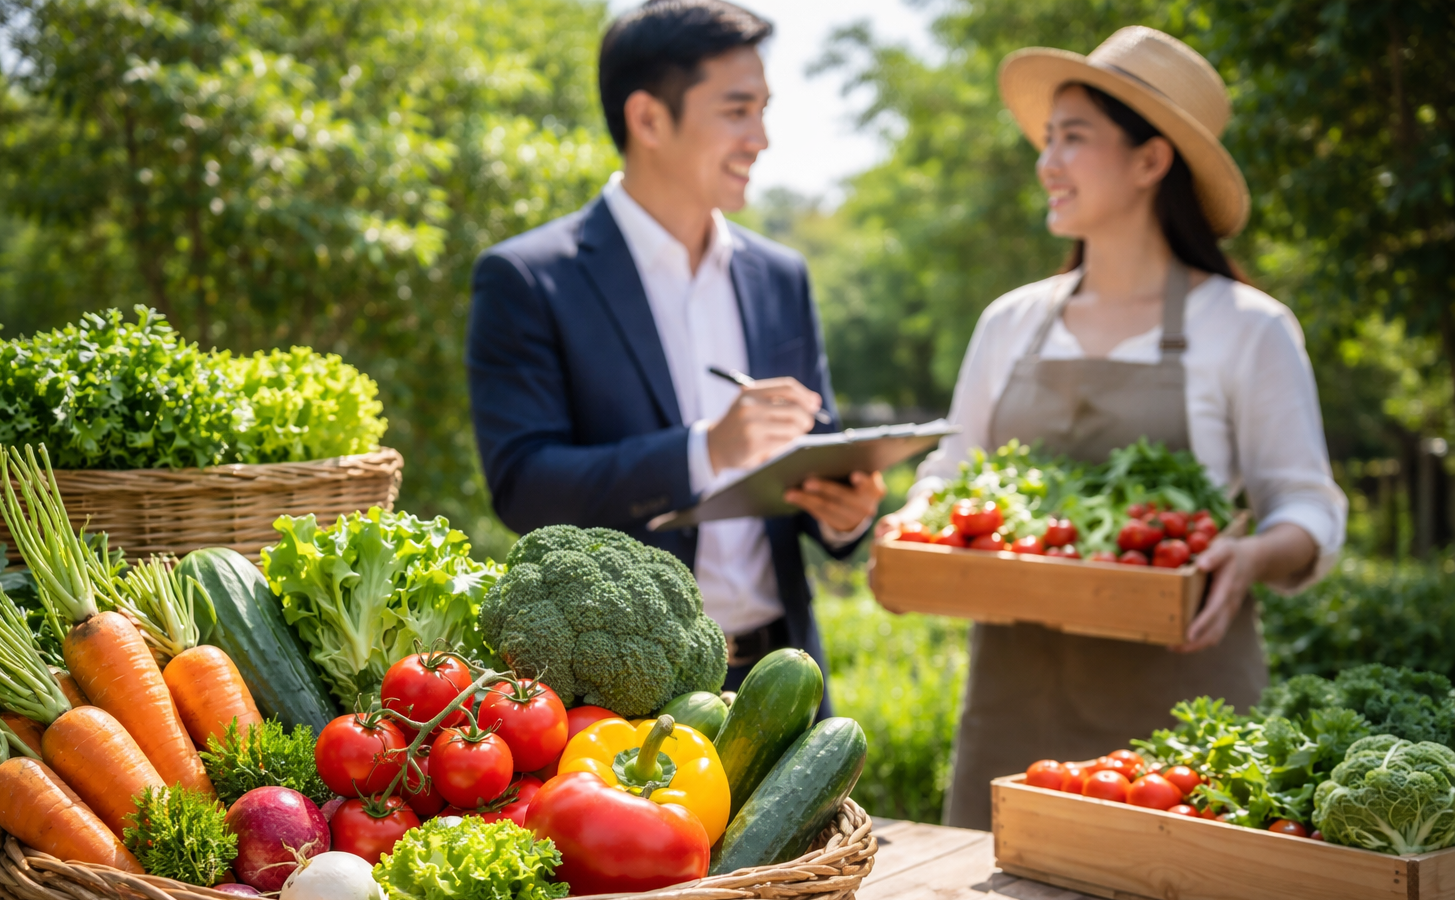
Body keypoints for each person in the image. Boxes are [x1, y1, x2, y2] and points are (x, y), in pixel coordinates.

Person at [877, 26, 1347, 830]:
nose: (1045, 162)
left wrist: (1253, 555)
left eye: (1073, 139)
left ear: (1149, 161)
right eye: (1047, 138)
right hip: (1014, 708)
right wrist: (910, 526)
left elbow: (1310, 510)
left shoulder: (1246, 328)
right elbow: (951, 473)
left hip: (1186, 715)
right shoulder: (1012, 323)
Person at [464, 0, 885, 712]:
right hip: (623, 705)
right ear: (650, 119)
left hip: (785, 681)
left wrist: (846, 511)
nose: (762, 138)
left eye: (764, 110)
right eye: (737, 110)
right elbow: (524, 484)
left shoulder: (782, 274)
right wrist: (704, 450)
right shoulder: (529, 278)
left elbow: (817, 446)